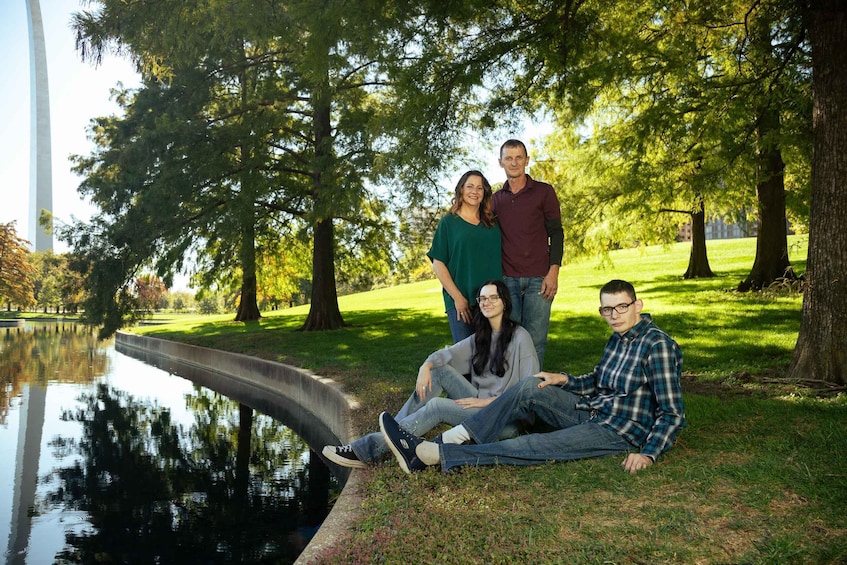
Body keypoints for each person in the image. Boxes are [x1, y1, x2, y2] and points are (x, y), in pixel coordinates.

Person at [379, 279, 685, 476]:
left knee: (536, 446)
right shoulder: (619, 337)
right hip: (589, 411)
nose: (614, 314)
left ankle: (442, 451)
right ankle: (452, 437)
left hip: (617, 431)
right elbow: (599, 380)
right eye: (607, 309)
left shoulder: (657, 345)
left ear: (637, 306)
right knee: (531, 385)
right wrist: (562, 379)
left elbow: (672, 413)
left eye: (621, 306)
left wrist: (648, 453)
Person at [322, 279, 538, 469]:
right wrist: (425, 367)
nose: (487, 302)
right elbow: (446, 355)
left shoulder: (520, 337)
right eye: (482, 298)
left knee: (437, 406)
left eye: (493, 297)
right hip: (480, 406)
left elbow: (529, 393)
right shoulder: (481, 338)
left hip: (505, 421)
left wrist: (484, 403)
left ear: (505, 302)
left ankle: (367, 449)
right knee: (439, 370)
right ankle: (392, 434)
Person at [492, 139, 564, 368]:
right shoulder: (495, 200)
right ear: (500, 162)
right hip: (507, 280)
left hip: (539, 280)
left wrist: (553, 273)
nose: (514, 162)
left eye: (518, 157)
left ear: (526, 160)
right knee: (509, 341)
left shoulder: (544, 192)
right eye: (508, 158)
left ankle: (532, 393)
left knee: (536, 341)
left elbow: (557, 234)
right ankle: (511, 395)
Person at [428, 170, 503, 343]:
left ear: (484, 193)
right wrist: (458, 298)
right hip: (461, 301)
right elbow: (438, 263)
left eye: (479, 188)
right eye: (470, 186)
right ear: (461, 189)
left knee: (495, 355)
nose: (474, 191)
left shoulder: (492, 222)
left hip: (492, 300)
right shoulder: (448, 222)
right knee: (467, 357)